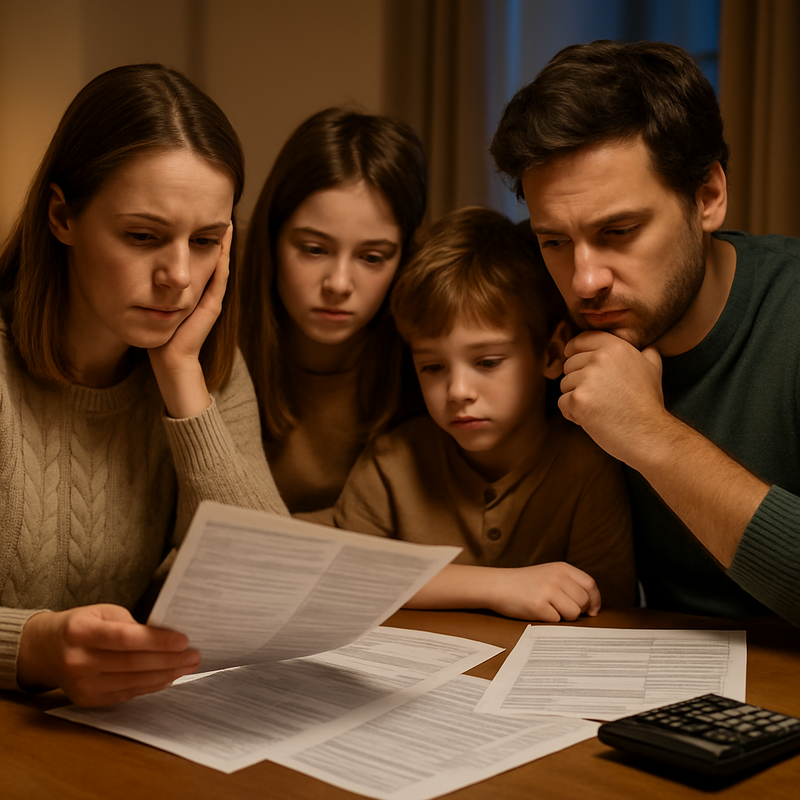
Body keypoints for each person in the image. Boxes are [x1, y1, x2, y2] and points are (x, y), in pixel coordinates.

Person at [0, 64, 288, 706]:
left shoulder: (205, 364)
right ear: (61, 215)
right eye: (143, 236)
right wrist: (35, 645)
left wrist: (184, 380)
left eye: (207, 240)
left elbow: (272, 583)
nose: (180, 277)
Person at [490, 39, 800, 626]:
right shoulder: (542, 331)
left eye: (620, 231)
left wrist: (649, 434)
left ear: (708, 195)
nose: (584, 281)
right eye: (554, 241)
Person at [307, 207, 636, 622]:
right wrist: (499, 586)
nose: (458, 392)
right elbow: (344, 576)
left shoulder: (586, 466)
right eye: (432, 367)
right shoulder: (394, 462)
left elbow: (606, 612)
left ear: (552, 354)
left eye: (487, 362)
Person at [239, 108, 428, 513]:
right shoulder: (213, 337)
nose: (339, 284)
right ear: (271, 239)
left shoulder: (429, 355)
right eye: (314, 249)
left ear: (404, 258)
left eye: (373, 257)